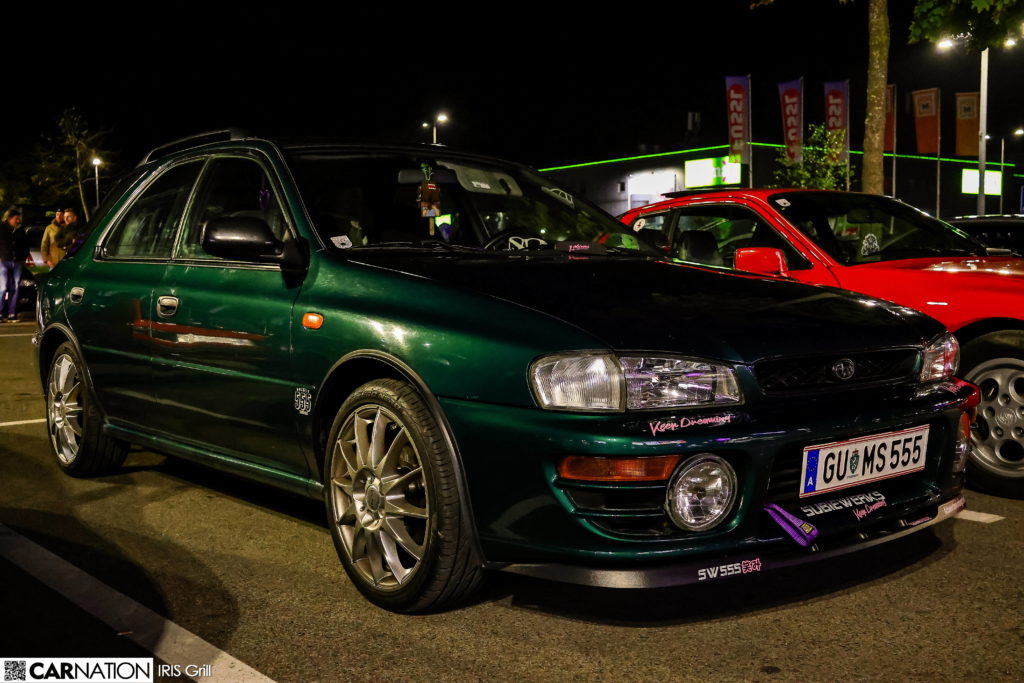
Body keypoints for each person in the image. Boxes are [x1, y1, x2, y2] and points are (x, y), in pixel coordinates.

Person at [0, 207, 29, 322]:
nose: (18, 220)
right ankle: (1, 313)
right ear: (9, 218)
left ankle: (12, 313)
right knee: (3, 287)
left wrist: (23, 257)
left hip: (17, 262)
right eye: (16, 218)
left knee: (15, 287)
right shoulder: (1, 228)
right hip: (3, 261)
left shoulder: (20, 230)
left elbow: (26, 245)